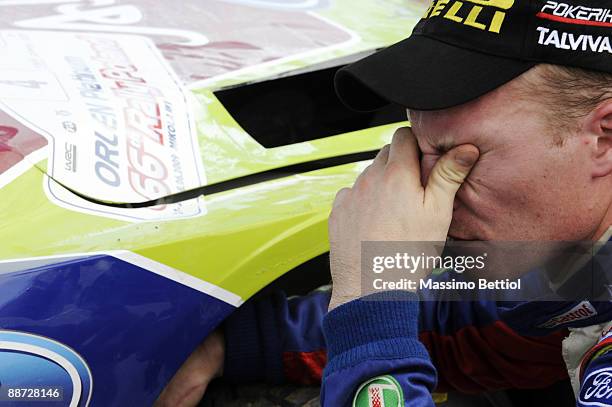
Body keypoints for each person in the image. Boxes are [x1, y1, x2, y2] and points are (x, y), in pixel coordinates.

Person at [155, 0, 612, 406]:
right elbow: (468, 325)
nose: (425, 193)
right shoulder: (577, 258)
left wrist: (371, 295)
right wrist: (233, 343)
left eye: (460, 157)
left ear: (604, 137)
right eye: (419, 147)